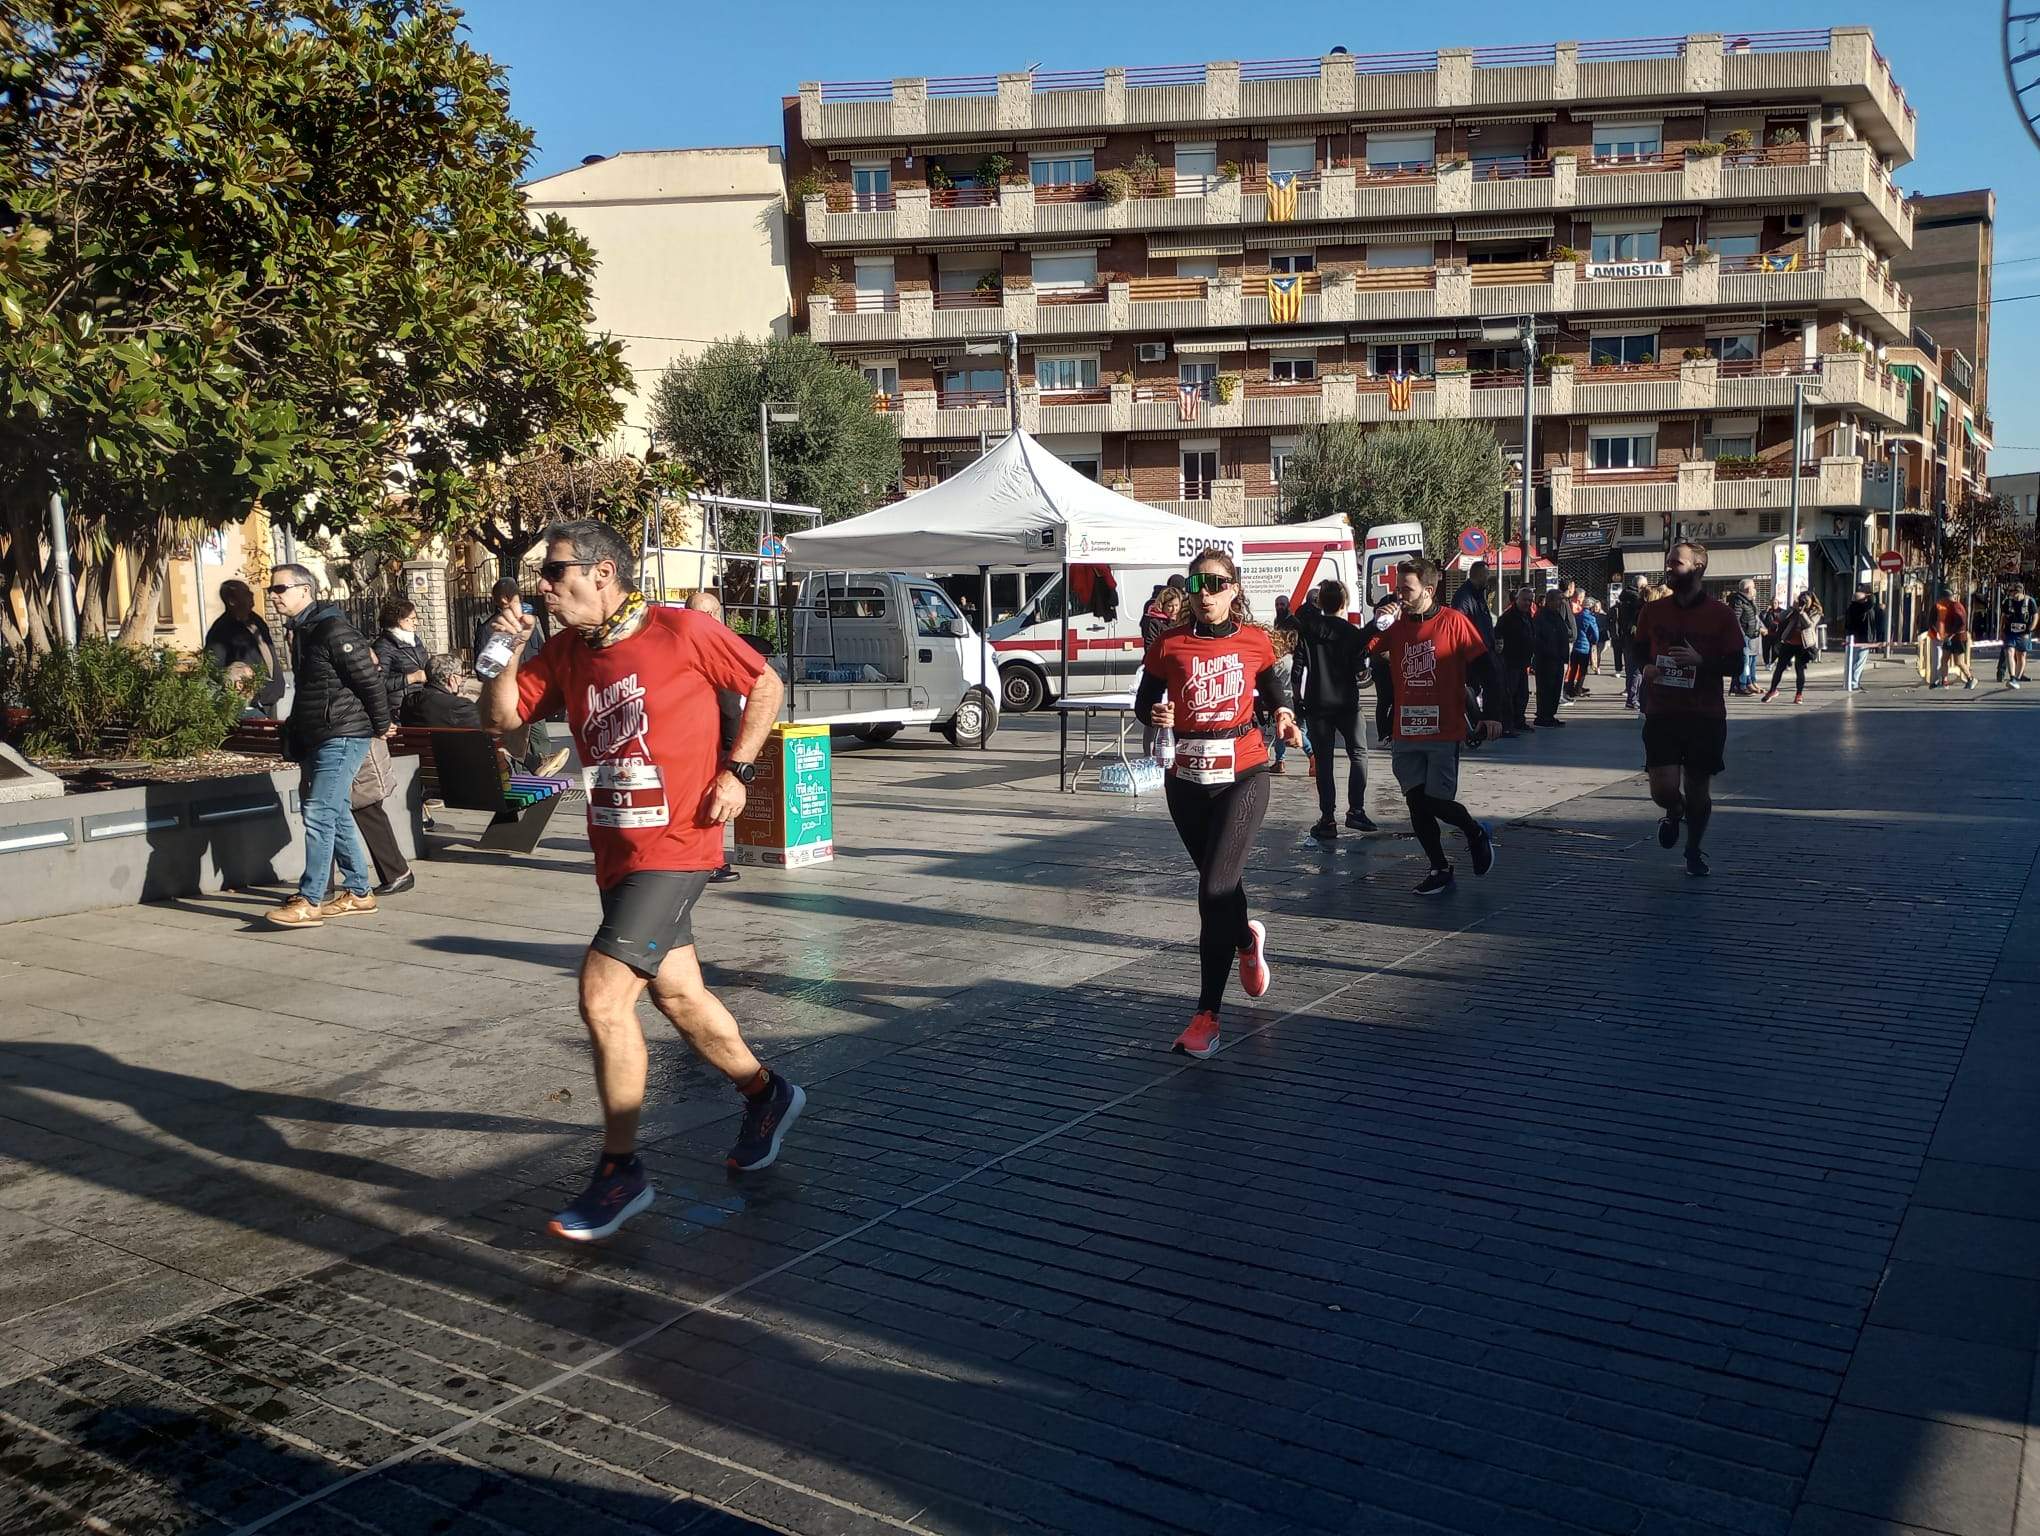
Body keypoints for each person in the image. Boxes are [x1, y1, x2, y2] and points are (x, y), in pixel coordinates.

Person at [478, 519, 802, 1239]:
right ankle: (766, 1092)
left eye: (555, 568)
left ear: (601, 572)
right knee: (680, 995)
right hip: (616, 849)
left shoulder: (681, 630)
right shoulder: (563, 650)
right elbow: (502, 718)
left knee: (602, 997)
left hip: (680, 841)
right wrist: (504, 649)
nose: (544, 582)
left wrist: (739, 771)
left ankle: (620, 1172)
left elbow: (765, 683)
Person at [1134, 548, 1301, 1058]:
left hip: (1244, 774)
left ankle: (1206, 1016)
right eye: (1196, 584)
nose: (1204, 594)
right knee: (1222, 888)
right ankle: (1248, 942)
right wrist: (1155, 717)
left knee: (1213, 889)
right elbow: (1145, 701)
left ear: (1234, 590)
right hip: (1186, 778)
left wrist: (1286, 718)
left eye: (1214, 583)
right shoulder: (1169, 644)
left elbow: (1276, 693)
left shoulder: (1255, 642)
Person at [1363, 557, 1501, 896]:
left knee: (1437, 801)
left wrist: (1493, 713)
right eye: (1397, 589)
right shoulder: (1394, 625)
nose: (1400, 595)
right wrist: (1376, 622)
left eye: (1406, 590)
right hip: (1406, 729)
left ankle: (1474, 831)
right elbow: (1357, 649)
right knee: (1415, 803)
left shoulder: (1454, 622)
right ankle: (1439, 867)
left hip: (1444, 729)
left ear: (1429, 589)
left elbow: (1486, 667)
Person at [264, 565, 390, 928]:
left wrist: (381, 725)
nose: (273, 596)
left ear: (305, 590)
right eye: (271, 589)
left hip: (343, 733)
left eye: (280, 588)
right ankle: (358, 891)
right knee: (333, 813)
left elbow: (368, 680)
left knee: (318, 812)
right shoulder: (304, 631)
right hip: (320, 734)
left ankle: (310, 899)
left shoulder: (332, 629)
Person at [1635, 542, 1745, 878]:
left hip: (1705, 714)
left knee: (1699, 788)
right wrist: (1647, 668)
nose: (1669, 569)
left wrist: (1702, 661)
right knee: (1662, 789)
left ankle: (1693, 849)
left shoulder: (1722, 614)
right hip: (1662, 711)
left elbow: (1737, 664)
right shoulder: (1652, 611)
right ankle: (1674, 808)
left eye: (1677, 564)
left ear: (1698, 568)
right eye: (1668, 563)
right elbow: (1639, 651)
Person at [1292, 578, 1376, 836]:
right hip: (1347, 703)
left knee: (1324, 762)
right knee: (1358, 754)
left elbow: (1297, 671)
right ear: (1344, 602)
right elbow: (1361, 671)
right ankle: (1356, 811)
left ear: (1320, 603)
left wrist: (1298, 702)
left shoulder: (1307, 630)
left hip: (1317, 704)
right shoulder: (1351, 632)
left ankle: (1327, 818)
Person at [477, 578, 573, 776]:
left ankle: (540, 766)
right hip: (509, 693)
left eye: (555, 572)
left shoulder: (532, 624)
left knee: (537, 735)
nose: (544, 586)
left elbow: (541, 650)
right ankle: (527, 771)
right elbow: (484, 672)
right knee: (518, 739)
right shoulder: (490, 628)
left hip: (531, 688)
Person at [686, 590, 744, 883]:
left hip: (686, 740)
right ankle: (710, 862)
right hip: (710, 741)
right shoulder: (718, 647)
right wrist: (736, 749)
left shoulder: (678, 644)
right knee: (713, 803)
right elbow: (730, 704)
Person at [204, 579, 287, 715]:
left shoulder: (256, 620)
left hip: (270, 696)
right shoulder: (222, 630)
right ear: (232, 601)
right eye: (246, 593)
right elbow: (214, 668)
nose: (252, 595)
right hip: (249, 702)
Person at [1139, 586, 1186, 756]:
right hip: (1158, 673)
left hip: (1177, 673)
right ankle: (1149, 755)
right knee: (1154, 716)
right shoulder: (1154, 622)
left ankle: (1173, 750)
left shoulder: (1182, 622)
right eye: (1170, 606)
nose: (1174, 609)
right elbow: (1150, 648)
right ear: (1162, 606)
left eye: (1176, 605)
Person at [1449, 561, 1499, 718]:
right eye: (1487, 574)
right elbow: (1458, 623)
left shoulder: (1478, 594)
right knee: (1476, 686)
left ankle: (1484, 718)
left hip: (1483, 648)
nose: (1488, 577)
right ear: (1479, 575)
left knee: (1490, 684)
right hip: (1472, 651)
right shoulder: (1465, 596)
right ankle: (1474, 719)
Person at [373, 596, 429, 723]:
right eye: (413, 619)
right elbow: (379, 683)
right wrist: (412, 678)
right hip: (399, 709)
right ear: (399, 620)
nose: (417, 623)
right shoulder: (384, 646)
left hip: (421, 702)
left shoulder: (414, 640)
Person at [1762, 592, 1821, 703]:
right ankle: (1772, 690)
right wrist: (1792, 609)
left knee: (1800, 670)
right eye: (1802, 600)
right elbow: (1780, 617)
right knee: (1779, 668)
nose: (1803, 603)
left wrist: (1802, 612)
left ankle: (1799, 694)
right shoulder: (1794, 610)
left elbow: (1809, 624)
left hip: (1804, 645)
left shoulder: (1815, 612)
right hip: (1789, 642)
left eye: (1806, 601)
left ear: (1812, 601)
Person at [1495, 586, 1537, 735]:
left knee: (1522, 694)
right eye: (1525, 600)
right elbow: (1498, 639)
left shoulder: (1527, 616)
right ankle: (1507, 724)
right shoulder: (1508, 618)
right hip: (1510, 662)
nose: (1528, 603)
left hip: (1522, 662)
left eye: (1530, 600)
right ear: (1517, 599)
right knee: (1509, 694)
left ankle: (1519, 721)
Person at [402, 654, 483, 728]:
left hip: (416, 743)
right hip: (449, 744)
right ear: (452, 679)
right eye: (461, 676)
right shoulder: (459, 706)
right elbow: (485, 727)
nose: (462, 679)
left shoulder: (409, 701)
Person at [1531, 584, 1571, 727]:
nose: (1561, 603)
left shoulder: (1557, 615)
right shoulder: (1542, 616)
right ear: (1550, 601)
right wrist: (1548, 651)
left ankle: (1550, 715)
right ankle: (1543, 716)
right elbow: (1538, 638)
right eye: (1559, 600)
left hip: (1558, 659)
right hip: (1546, 659)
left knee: (1555, 688)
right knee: (1546, 688)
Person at [1933, 589, 1974, 690]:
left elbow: (1960, 621)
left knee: (1959, 662)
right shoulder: (1950, 606)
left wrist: (1951, 634)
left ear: (1946, 598)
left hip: (1958, 638)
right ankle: (1944, 681)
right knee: (1944, 659)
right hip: (1950, 637)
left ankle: (1971, 678)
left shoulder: (1956, 607)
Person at [1615, 577, 1646, 708]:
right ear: (1641, 586)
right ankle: (1633, 699)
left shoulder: (1624, 598)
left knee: (1630, 669)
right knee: (1636, 670)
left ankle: (1630, 695)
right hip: (1634, 637)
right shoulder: (1636, 600)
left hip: (1625, 637)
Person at [1842, 586, 1881, 692]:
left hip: (1851, 638)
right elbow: (1873, 600)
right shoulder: (1862, 608)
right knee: (1859, 662)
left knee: (1851, 661)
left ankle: (1848, 682)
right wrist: (1869, 594)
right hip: (1862, 639)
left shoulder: (1851, 608)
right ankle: (1854, 683)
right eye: (1864, 598)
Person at [1727, 579, 1763, 695]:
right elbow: (1736, 620)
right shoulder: (1739, 602)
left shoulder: (1748, 601)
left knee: (1749, 661)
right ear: (1748, 589)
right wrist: (1742, 635)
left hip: (1751, 634)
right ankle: (1741, 686)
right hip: (1744, 636)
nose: (1755, 590)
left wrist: (1753, 599)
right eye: (1753, 587)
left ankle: (1748, 683)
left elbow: (1755, 615)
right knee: (1744, 661)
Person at [2002, 582, 2036, 688]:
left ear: (2021, 592)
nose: (2014, 595)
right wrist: (2001, 630)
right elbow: (2003, 616)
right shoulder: (2007, 601)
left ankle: (2017, 677)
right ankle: (2012, 677)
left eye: (2016, 592)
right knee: (2009, 652)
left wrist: (2030, 629)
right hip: (2010, 632)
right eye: (2012, 592)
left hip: (2023, 633)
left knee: (2021, 655)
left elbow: (2035, 615)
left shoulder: (2030, 601)